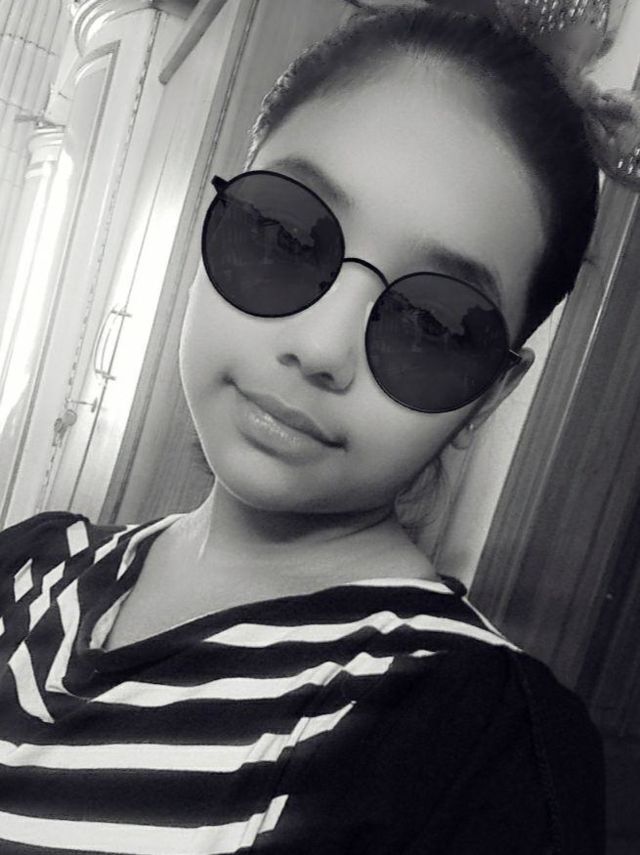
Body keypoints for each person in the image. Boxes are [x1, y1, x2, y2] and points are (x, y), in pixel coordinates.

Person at [0, 3, 606, 853]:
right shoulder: (29, 564)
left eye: (434, 324)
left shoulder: (474, 745)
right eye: (286, 236)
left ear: (489, 396)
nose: (322, 348)